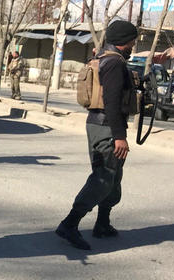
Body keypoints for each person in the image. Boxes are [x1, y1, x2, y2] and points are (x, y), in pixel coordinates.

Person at [55, 20, 139, 250]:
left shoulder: (106, 58)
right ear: (124, 41)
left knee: (113, 176)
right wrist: (119, 136)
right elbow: (111, 101)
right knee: (103, 177)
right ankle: (69, 224)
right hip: (106, 127)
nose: (134, 44)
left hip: (104, 125)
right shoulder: (113, 63)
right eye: (133, 40)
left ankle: (103, 223)